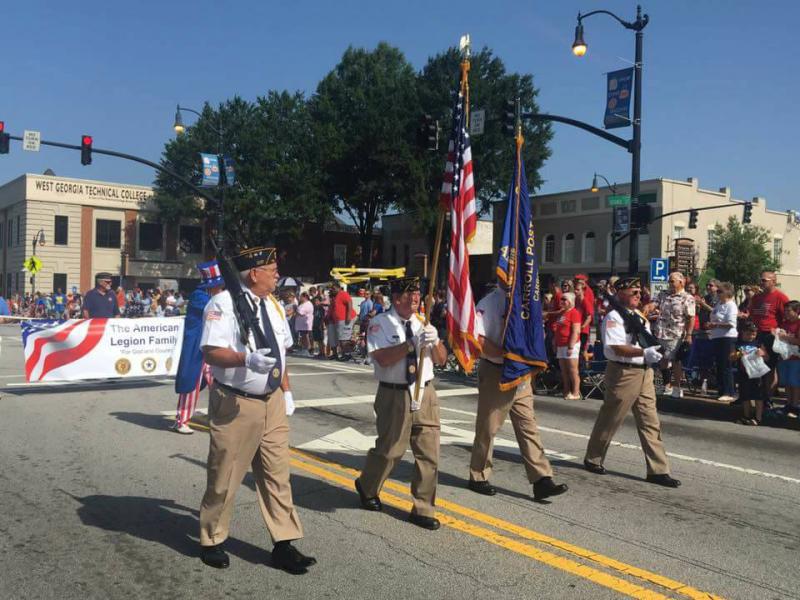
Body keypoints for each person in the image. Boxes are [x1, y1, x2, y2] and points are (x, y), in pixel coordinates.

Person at [198, 246, 315, 574]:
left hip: (272, 401)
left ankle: (284, 543)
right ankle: (212, 539)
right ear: (254, 273)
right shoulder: (223, 303)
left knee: (278, 474)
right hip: (237, 402)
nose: (277, 273)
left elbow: (282, 354)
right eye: (272, 268)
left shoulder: (273, 306)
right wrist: (244, 359)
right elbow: (211, 351)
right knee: (226, 475)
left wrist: (286, 391)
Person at [354, 276, 447, 530]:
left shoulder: (423, 322)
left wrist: (435, 341)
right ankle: (368, 485)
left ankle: (423, 508)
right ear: (396, 298)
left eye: (417, 294)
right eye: (410, 294)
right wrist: (411, 344)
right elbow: (382, 358)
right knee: (391, 450)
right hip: (394, 393)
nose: (416, 298)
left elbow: (441, 360)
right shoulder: (380, 323)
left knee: (430, 454)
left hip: (425, 392)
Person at [468, 284, 568, 501]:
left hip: (521, 373)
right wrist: (507, 354)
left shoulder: (525, 300)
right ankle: (478, 475)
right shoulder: (489, 303)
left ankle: (541, 479)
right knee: (488, 427)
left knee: (528, 427)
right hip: (497, 371)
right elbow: (478, 339)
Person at [583, 277, 681, 488]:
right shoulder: (614, 317)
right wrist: (644, 352)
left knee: (650, 421)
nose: (638, 295)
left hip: (644, 372)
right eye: (633, 292)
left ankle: (658, 470)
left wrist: (654, 355)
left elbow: (645, 340)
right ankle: (593, 457)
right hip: (623, 373)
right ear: (620, 294)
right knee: (611, 418)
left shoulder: (638, 317)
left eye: (639, 292)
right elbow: (617, 347)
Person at [172, 261, 225, 434]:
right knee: (191, 385)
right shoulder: (199, 296)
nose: (222, 287)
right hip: (196, 348)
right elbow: (213, 315)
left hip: (211, 346)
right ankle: (181, 420)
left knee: (218, 384)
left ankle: (218, 418)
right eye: (220, 285)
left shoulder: (214, 296)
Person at [651, 272, 695, 398]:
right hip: (661, 332)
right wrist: (650, 306)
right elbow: (654, 303)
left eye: (672, 281)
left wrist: (689, 334)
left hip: (676, 333)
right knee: (663, 360)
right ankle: (667, 385)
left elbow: (691, 317)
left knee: (676, 361)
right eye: (669, 281)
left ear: (681, 282)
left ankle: (677, 387)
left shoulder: (687, 297)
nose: (669, 284)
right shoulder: (663, 294)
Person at [749, 271, 789, 405]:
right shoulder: (757, 297)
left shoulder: (780, 297)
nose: (762, 282)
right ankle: (753, 396)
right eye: (761, 280)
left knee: (770, 367)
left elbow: (788, 316)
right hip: (757, 334)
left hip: (771, 335)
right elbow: (752, 313)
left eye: (764, 280)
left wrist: (779, 331)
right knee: (755, 365)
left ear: (773, 281)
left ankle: (768, 398)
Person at [708, 282, 738, 402]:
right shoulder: (718, 304)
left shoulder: (731, 305)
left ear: (727, 292)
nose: (717, 293)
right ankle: (721, 390)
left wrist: (716, 324)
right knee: (719, 365)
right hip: (717, 337)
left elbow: (731, 324)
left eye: (720, 291)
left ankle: (729, 391)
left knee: (726, 365)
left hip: (727, 338)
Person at [735, 321, 769, 425]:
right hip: (744, 373)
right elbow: (731, 356)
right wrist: (739, 353)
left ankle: (758, 418)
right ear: (742, 333)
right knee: (745, 396)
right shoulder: (738, 344)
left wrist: (762, 353)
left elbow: (767, 357)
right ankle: (747, 415)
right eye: (748, 334)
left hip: (757, 373)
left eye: (753, 334)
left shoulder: (758, 344)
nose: (751, 336)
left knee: (758, 396)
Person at [774, 300, 800, 417]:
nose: (786, 313)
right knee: (787, 383)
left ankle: (795, 406)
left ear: (797, 311)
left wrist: (785, 337)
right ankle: (789, 404)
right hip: (784, 357)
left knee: (794, 383)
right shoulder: (784, 324)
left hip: (796, 358)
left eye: (788, 311)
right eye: (785, 311)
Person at [554, 292, 581, 400]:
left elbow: (576, 331)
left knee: (572, 370)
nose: (562, 301)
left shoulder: (574, 313)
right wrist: (555, 342)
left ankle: (575, 392)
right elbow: (558, 329)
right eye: (562, 299)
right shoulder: (562, 313)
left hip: (570, 344)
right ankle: (566, 390)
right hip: (560, 344)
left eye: (565, 299)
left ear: (570, 302)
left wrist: (571, 346)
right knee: (564, 370)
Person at [328, 282, 355, 360]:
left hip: (344, 319)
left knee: (344, 338)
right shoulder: (334, 296)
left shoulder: (343, 293)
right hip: (336, 320)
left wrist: (348, 315)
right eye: (331, 289)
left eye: (333, 288)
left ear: (338, 288)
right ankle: (337, 354)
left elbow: (349, 302)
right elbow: (333, 308)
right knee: (336, 338)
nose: (332, 290)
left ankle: (347, 354)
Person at [295, 292, 314, 356]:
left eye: (301, 296)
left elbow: (300, 313)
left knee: (305, 336)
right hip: (301, 324)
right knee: (303, 337)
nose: (300, 298)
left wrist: (295, 310)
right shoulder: (302, 304)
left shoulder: (308, 304)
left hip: (305, 324)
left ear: (305, 297)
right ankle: (304, 349)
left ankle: (307, 349)